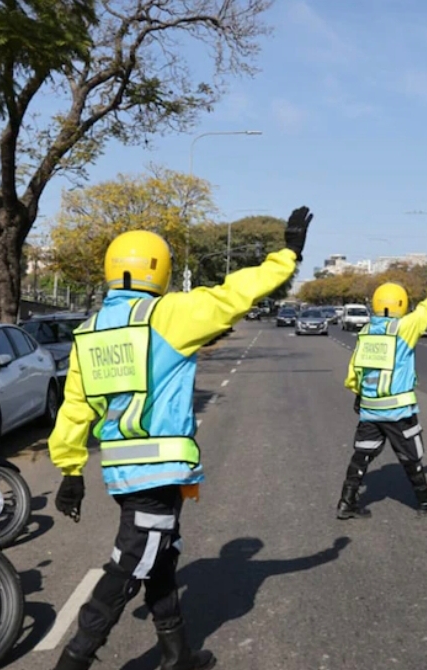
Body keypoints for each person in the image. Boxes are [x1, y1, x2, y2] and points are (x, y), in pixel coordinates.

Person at [49, 207, 315, 670]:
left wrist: (70, 469)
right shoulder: (168, 315)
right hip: (159, 472)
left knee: (161, 561)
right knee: (130, 564)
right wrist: (287, 256)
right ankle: (73, 661)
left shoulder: (89, 332)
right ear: (161, 270)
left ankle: (177, 657)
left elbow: (75, 406)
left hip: (122, 473)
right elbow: (235, 294)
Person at [336, 257, 427, 520]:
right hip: (398, 409)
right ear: (402, 303)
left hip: (369, 407)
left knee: (362, 454)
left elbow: (355, 369)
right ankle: (425, 502)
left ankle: (347, 502)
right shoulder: (405, 327)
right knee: (411, 456)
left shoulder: (367, 331)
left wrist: (358, 393)